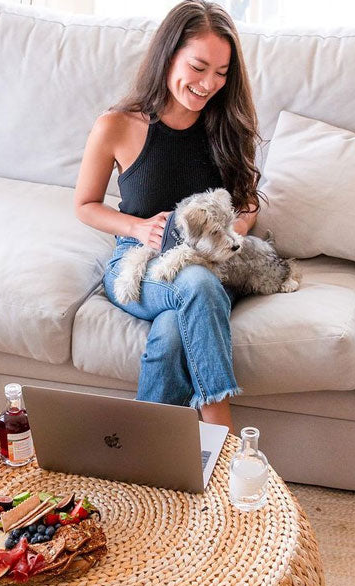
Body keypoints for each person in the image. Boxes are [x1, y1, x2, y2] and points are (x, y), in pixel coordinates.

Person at [74, 0, 264, 431]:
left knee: (176, 329)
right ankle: (222, 432)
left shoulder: (229, 125)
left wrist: (228, 235)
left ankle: (143, 457)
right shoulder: (117, 125)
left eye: (221, 73)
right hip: (137, 263)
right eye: (198, 67)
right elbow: (84, 204)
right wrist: (137, 227)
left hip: (210, 264)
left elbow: (247, 202)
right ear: (168, 54)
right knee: (194, 287)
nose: (208, 84)